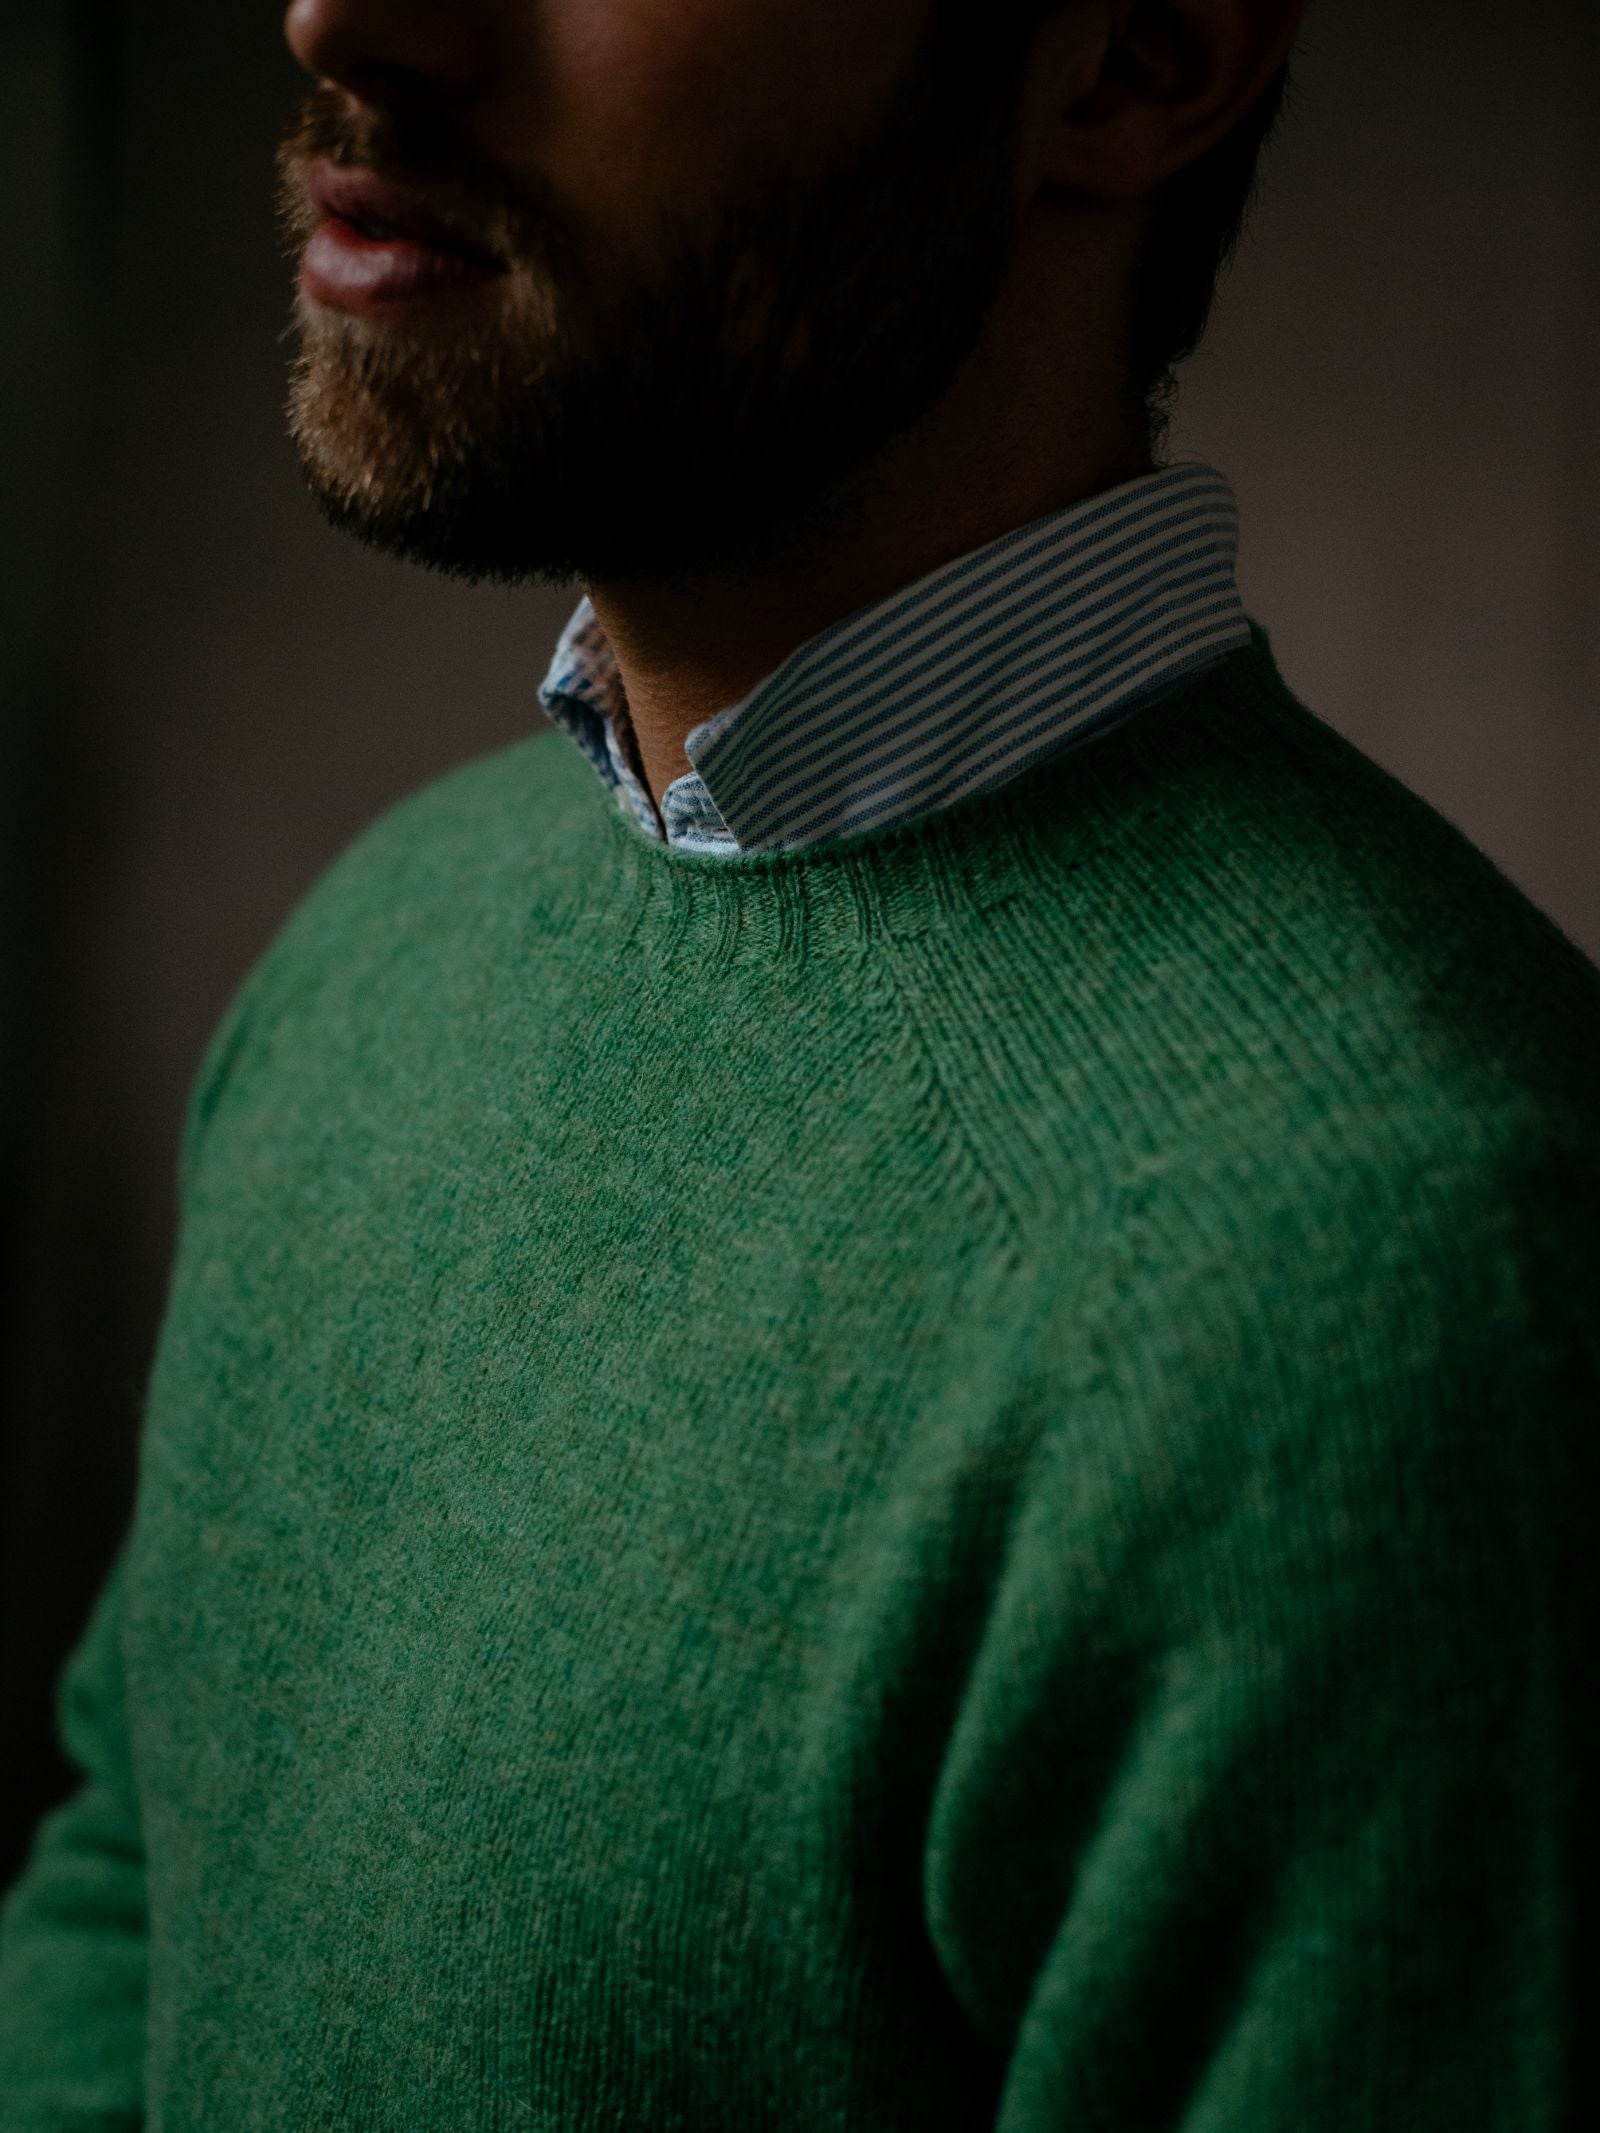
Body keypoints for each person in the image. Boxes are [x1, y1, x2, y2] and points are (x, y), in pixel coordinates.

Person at [2, 0, 1596, 2125]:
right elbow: (137, 1869)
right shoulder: (390, 932)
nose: (344, 13)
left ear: (1129, 59)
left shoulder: (1401, 1296)